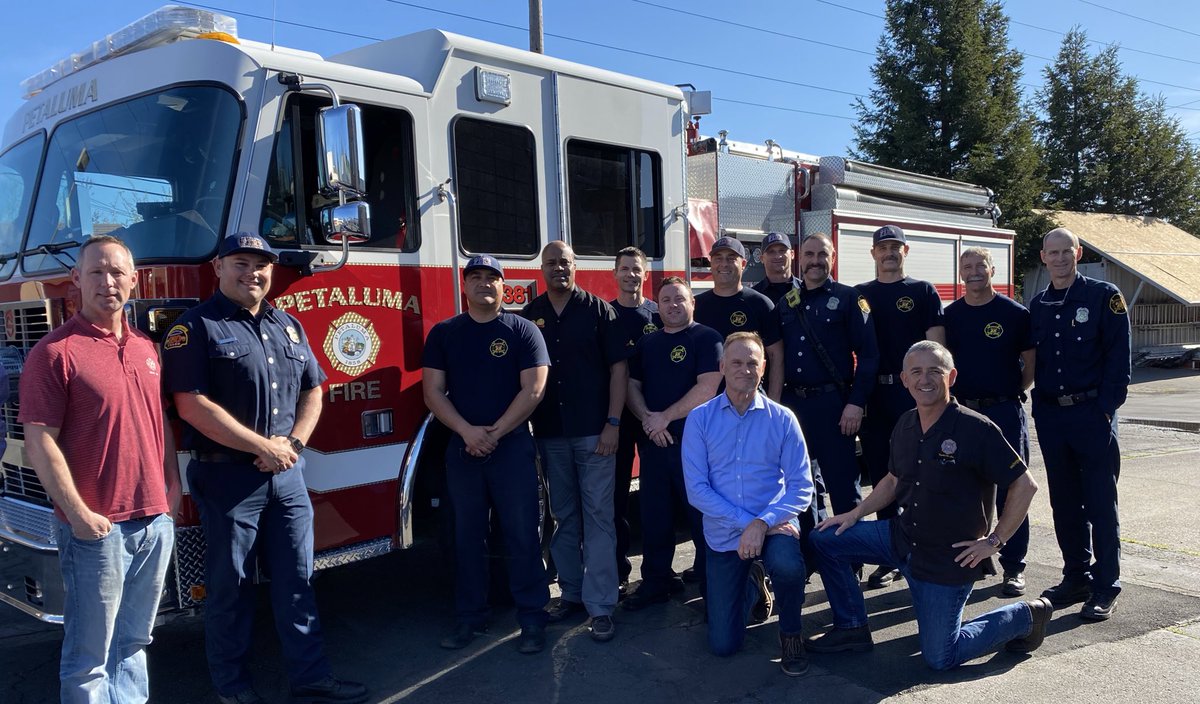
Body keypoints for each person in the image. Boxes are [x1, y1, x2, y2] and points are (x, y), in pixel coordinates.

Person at [162, 233, 366, 704]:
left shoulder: (289, 326)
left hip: (287, 477)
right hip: (228, 479)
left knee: (297, 580)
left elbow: (315, 390)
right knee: (229, 589)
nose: (252, 272)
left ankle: (311, 677)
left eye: (261, 265)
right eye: (240, 262)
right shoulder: (196, 328)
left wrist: (292, 444)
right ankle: (232, 688)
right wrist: (261, 447)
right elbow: (190, 405)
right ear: (218, 267)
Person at [806, 341, 1051, 670]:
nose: (925, 379)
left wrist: (994, 541)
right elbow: (893, 480)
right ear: (905, 380)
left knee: (940, 657)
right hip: (903, 538)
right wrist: (854, 514)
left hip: (946, 559)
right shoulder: (906, 423)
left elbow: (1025, 485)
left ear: (951, 377)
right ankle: (851, 627)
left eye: (935, 371)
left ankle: (1024, 616)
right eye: (916, 372)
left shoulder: (976, 428)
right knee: (826, 538)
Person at [20, 235, 180, 704]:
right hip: (97, 531)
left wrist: (171, 489)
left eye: (117, 272)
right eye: (96, 272)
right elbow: (39, 441)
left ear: (134, 280)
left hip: (154, 522)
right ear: (77, 279)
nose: (107, 282)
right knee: (90, 657)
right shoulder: (54, 353)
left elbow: (160, 423)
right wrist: (79, 514)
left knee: (133, 644)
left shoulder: (147, 350)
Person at [422, 254, 552, 653]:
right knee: (466, 538)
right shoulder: (444, 333)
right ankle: (470, 619)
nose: (483, 284)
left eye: (491, 278)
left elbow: (533, 389)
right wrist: (466, 432)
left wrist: (495, 432)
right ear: (464, 286)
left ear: (503, 285)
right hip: (462, 449)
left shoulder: (524, 330)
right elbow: (432, 392)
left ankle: (532, 619)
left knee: (522, 535)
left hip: (510, 447)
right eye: (474, 277)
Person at [682, 332, 814, 676]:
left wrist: (762, 524)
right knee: (723, 645)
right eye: (736, 362)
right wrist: (748, 524)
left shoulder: (783, 419)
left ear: (763, 367)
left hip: (775, 524)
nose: (744, 369)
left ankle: (791, 635)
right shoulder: (699, 419)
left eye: (752, 362)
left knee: (787, 566)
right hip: (725, 533)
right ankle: (755, 582)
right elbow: (696, 490)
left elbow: (802, 487)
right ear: (722, 366)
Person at [523, 241, 626, 642]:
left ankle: (601, 607)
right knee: (564, 516)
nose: (559, 269)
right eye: (551, 263)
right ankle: (571, 594)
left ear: (575, 266)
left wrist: (614, 423)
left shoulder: (601, 311)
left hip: (595, 434)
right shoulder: (532, 316)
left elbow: (619, 371)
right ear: (542, 270)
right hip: (551, 435)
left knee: (599, 518)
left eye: (565, 262)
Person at [1029, 228, 1131, 620]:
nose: (1058, 259)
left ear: (1078, 252)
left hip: (1092, 414)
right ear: (1043, 257)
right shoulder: (1038, 305)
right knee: (1065, 504)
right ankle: (1076, 577)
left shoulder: (1104, 297)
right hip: (1054, 417)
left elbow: (1118, 360)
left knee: (1101, 504)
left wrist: (1107, 410)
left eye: (1065, 251)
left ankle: (1106, 585)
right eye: (1051, 253)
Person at [623, 277, 723, 610]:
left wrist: (664, 417)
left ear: (692, 302)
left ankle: (713, 587)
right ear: (658, 306)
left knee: (700, 517)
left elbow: (708, 387)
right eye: (665, 300)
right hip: (654, 444)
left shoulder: (707, 338)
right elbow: (631, 387)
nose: (673, 305)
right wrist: (649, 421)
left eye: (679, 299)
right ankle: (656, 581)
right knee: (654, 517)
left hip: (695, 446)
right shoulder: (648, 344)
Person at [855, 224, 945, 588]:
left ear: (905, 252)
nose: (889, 253)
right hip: (876, 396)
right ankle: (891, 553)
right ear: (873, 253)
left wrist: (935, 393)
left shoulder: (922, 291)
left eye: (896, 247)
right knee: (882, 475)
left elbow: (939, 350)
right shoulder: (860, 295)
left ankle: (928, 551)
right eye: (883, 248)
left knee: (926, 473)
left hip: (915, 395)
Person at [944, 247, 1035, 597]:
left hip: (1003, 410)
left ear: (992, 269)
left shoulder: (1014, 314)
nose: (974, 272)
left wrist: (1007, 391)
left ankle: (1014, 567)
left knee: (1012, 488)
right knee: (966, 491)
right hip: (964, 411)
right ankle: (974, 560)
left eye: (980, 265)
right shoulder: (949, 316)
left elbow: (1030, 365)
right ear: (961, 273)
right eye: (967, 267)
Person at [770, 233, 878, 516]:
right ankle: (811, 552)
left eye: (822, 255)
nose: (815, 261)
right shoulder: (787, 303)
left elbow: (868, 356)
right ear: (799, 258)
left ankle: (851, 559)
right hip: (795, 405)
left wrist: (856, 403)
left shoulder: (850, 299)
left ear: (833, 258)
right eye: (809, 255)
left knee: (842, 484)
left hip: (835, 405)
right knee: (800, 484)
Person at [610, 246, 662, 595]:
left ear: (646, 274)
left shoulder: (658, 315)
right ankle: (617, 569)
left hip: (652, 417)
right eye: (625, 268)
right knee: (614, 497)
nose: (631, 274)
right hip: (617, 419)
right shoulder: (604, 315)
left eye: (637, 269)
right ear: (615, 273)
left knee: (656, 496)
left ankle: (658, 572)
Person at [694, 236, 783, 380]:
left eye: (731, 258)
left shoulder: (760, 304)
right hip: (706, 397)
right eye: (718, 258)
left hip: (749, 396)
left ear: (743, 264)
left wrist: (772, 399)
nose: (724, 264)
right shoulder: (696, 305)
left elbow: (776, 356)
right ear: (711, 264)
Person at [752, 232, 801, 305]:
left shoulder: (805, 290)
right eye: (771, 252)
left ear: (792, 254)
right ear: (762, 258)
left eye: (782, 251)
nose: (778, 256)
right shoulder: (753, 296)